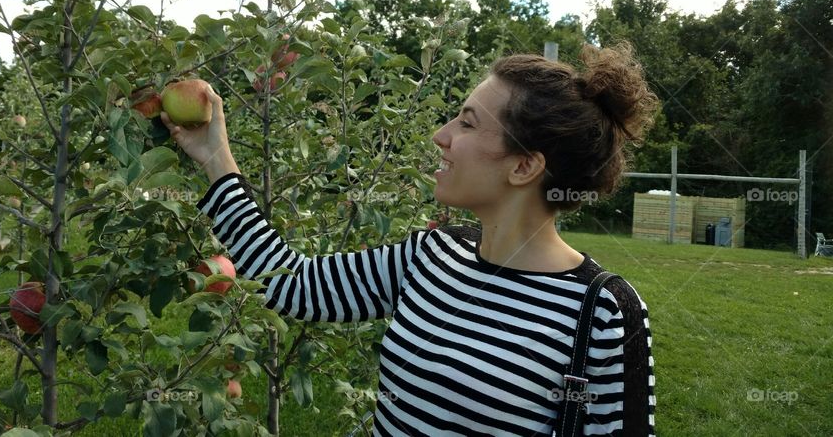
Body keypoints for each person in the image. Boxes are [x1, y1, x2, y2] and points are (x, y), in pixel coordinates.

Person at [162, 41, 659, 436]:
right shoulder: (431, 256)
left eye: (466, 123)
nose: (441, 136)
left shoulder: (602, 312)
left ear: (525, 165)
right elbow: (289, 284)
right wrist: (215, 158)